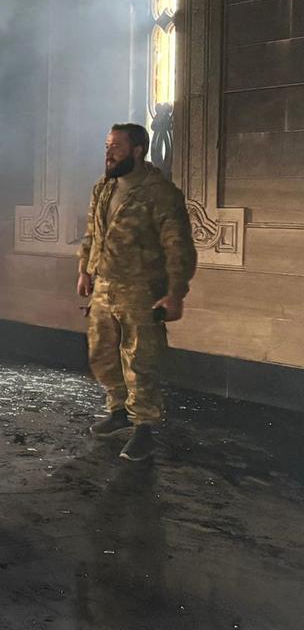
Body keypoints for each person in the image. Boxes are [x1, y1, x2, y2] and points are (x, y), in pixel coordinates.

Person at [78, 123, 196, 462]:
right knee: (102, 352)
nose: (108, 152)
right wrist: (84, 270)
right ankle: (118, 410)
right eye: (107, 145)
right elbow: (91, 233)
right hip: (104, 286)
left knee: (141, 359)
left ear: (138, 150)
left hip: (142, 289)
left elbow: (178, 247)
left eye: (116, 146)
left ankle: (144, 428)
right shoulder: (103, 187)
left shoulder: (159, 192)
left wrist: (175, 293)